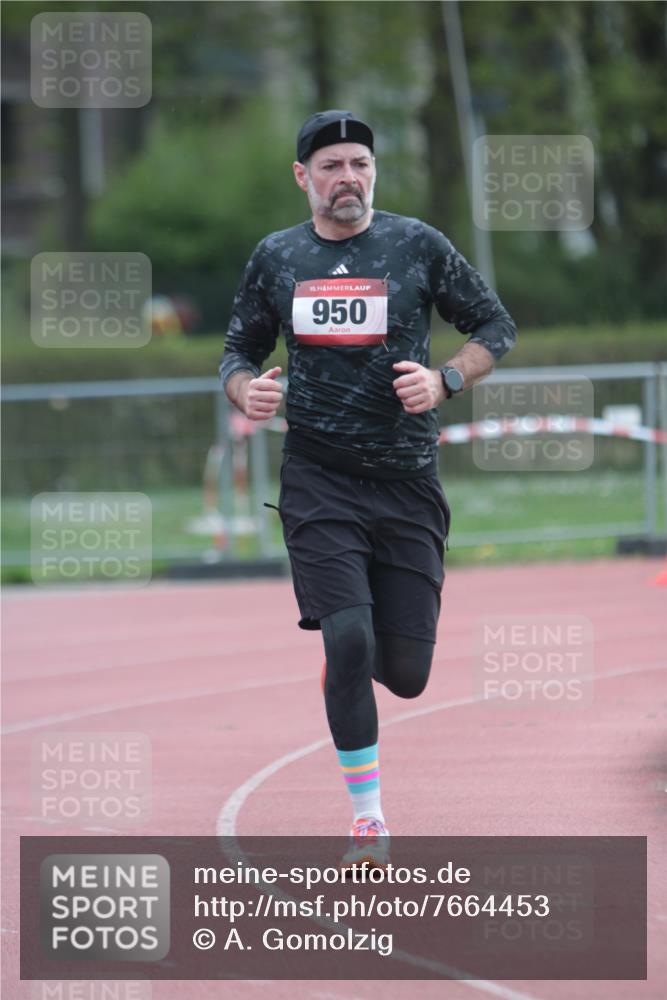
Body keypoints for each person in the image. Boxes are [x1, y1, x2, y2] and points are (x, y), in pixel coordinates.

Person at [219, 110, 517, 868]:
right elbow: (237, 352)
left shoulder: (417, 245)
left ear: (373, 172)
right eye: (330, 166)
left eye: (358, 164)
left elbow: (494, 328)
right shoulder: (277, 257)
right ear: (303, 177)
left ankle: (350, 652)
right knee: (348, 637)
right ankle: (368, 820)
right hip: (318, 480)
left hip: (407, 480)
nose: (346, 178)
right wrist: (247, 391)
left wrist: (446, 380)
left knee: (408, 676)